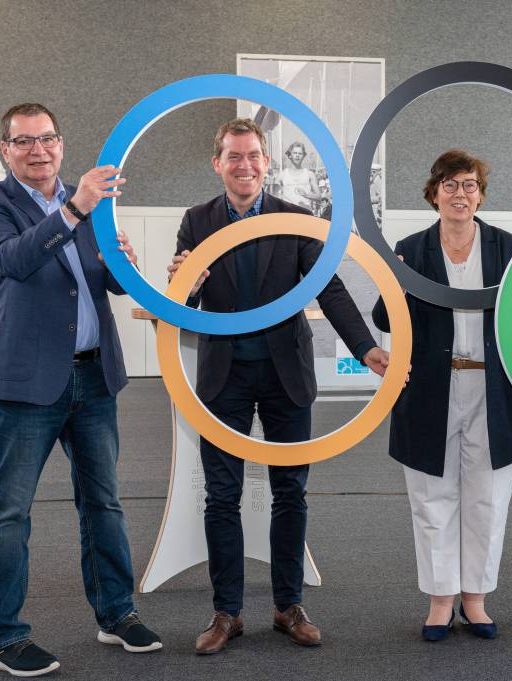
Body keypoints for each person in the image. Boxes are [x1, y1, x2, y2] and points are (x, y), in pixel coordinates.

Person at [168, 118, 389, 655]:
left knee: (290, 492)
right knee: (222, 496)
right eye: (233, 156)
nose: (244, 165)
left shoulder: (296, 218)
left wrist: (367, 350)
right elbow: (182, 307)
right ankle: (227, 613)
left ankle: (288, 606)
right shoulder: (196, 221)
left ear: (266, 162)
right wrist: (184, 284)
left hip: (285, 373)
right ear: (217, 162)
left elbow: (329, 289)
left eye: (253, 156)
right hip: (224, 377)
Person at [0, 103, 161, 677]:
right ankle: (3, 638)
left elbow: (98, 285)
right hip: (26, 385)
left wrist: (123, 266)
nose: (38, 149)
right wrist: (74, 212)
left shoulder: (90, 202)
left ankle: (116, 613)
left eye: (47, 138)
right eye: (24, 141)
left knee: (104, 502)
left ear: (61, 142)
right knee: (9, 513)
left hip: (94, 376)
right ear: (7, 150)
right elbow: (12, 261)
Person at [371, 150, 512, 641]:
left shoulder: (506, 246)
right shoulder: (410, 248)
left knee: (487, 498)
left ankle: (475, 599)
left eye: (469, 185)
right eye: (450, 185)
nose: (460, 194)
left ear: (481, 194)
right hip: (430, 387)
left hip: (494, 389)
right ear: (434, 194)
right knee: (432, 496)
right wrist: (396, 281)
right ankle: (440, 600)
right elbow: (385, 320)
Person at [279, 141, 321, 212]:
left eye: (300, 153)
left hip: (305, 215)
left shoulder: (310, 174)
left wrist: (306, 195)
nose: (297, 155)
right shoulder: (282, 175)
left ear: (303, 156)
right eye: (295, 153)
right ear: (290, 155)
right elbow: (273, 196)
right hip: (288, 215)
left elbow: (318, 197)